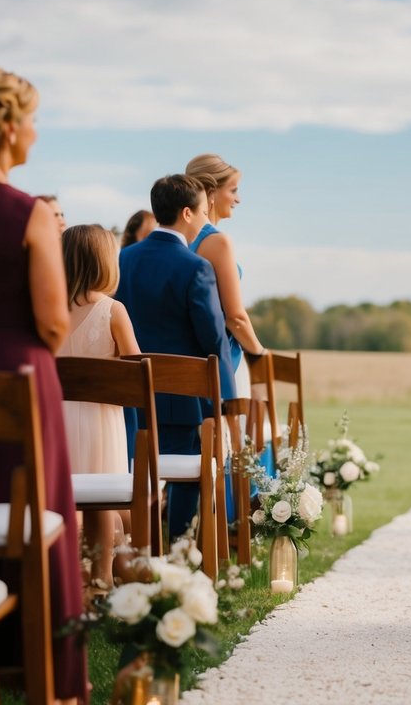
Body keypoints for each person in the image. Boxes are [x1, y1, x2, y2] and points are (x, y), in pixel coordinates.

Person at [0, 65, 88, 704]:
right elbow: (52, 322)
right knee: (37, 513)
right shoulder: (30, 214)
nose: (37, 133)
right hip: (19, 373)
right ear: (8, 127)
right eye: (33, 119)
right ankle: (43, 669)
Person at [115, 174, 235, 538]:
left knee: (135, 471)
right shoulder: (194, 267)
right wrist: (227, 399)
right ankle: (178, 543)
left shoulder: (122, 259)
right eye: (200, 211)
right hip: (181, 404)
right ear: (186, 213)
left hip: (129, 402)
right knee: (188, 475)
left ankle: (142, 544)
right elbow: (213, 338)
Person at [59, 224, 142, 592]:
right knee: (102, 500)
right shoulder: (113, 310)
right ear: (106, 262)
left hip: (56, 422)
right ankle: (102, 575)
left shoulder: (46, 313)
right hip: (100, 420)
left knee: (66, 497)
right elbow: (136, 375)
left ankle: (67, 572)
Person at [184, 154, 267, 399]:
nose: (238, 199)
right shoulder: (215, 242)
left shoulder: (183, 239)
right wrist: (259, 352)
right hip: (222, 361)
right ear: (210, 192)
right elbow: (235, 317)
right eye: (233, 190)